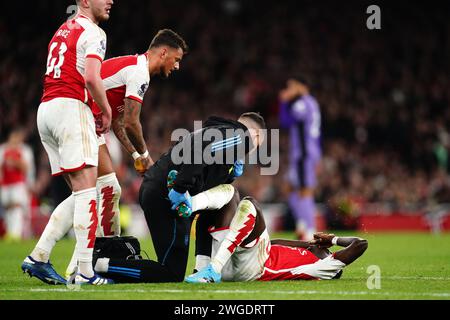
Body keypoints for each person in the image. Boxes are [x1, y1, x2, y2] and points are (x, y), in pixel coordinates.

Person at [64, 28, 188, 279]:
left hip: (86, 122)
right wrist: (144, 154)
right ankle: (82, 258)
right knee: (97, 192)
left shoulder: (132, 67)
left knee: (104, 191)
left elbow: (119, 123)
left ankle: (97, 255)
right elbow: (132, 122)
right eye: (176, 60)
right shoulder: (139, 72)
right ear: (163, 52)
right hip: (77, 119)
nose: (177, 67)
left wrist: (135, 156)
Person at [92, 112, 266, 283]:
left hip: (158, 189)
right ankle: (102, 265)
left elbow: (205, 172)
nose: (252, 150)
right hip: (166, 195)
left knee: (211, 211)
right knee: (171, 273)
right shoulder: (242, 136)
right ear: (256, 135)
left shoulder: (219, 134)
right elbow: (203, 150)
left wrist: (229, 176)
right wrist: (180, 187)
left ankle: (200, 268)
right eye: (258, 144)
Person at [21, 0, 115, 286]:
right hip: (70, 108)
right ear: (85, 1)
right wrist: (106, 109)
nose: (111, 0)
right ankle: (86, 272)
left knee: (79, 193)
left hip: (47, 109)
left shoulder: (62, 30)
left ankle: (39, 256)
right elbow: (90, 77)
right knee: (90, 192)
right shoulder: (95, 32)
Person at [185, 192, 368, 283]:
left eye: (327, 250)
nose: (323, 247)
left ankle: (212, 270)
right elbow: (272, 244)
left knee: (251, 204)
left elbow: (360, 244)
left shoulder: (324, 268)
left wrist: (333, 240)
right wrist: (307, 243)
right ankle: (188, 205)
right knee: (229, 197)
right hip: (240, 263)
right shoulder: (305, 253)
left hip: (254, 269)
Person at [279, 77, 322, 240]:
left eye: (291, 87)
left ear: (300, 87)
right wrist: (318, 155)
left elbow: (286, 121)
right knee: (290, 187)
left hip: (303, 154)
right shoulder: (313, 103)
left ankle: (310, 229)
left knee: (305, 191)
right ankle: (303, 224)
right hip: (307, 152)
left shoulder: (302, 103)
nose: (288, 90)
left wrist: (283, 102)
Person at [0, 128, 35, 240]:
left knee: (18, 207)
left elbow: (28, 169)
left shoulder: (25, 150)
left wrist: (15, 162)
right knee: (8, 208)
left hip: (19, 184)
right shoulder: (2, 149)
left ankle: (17, 234)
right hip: (5, 184)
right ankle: (10, 233)